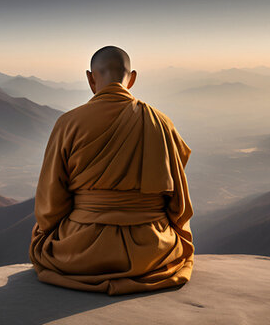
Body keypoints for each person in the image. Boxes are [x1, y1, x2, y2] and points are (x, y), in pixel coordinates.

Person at [29, 45, 194, 295]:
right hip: (151, 251)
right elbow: (178, 204)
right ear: (133, 78)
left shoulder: (68, 123)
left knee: (39, 237)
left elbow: (51, 204)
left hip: (81, 251)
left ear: (90, 78)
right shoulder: (161, 123)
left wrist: (53, 233)